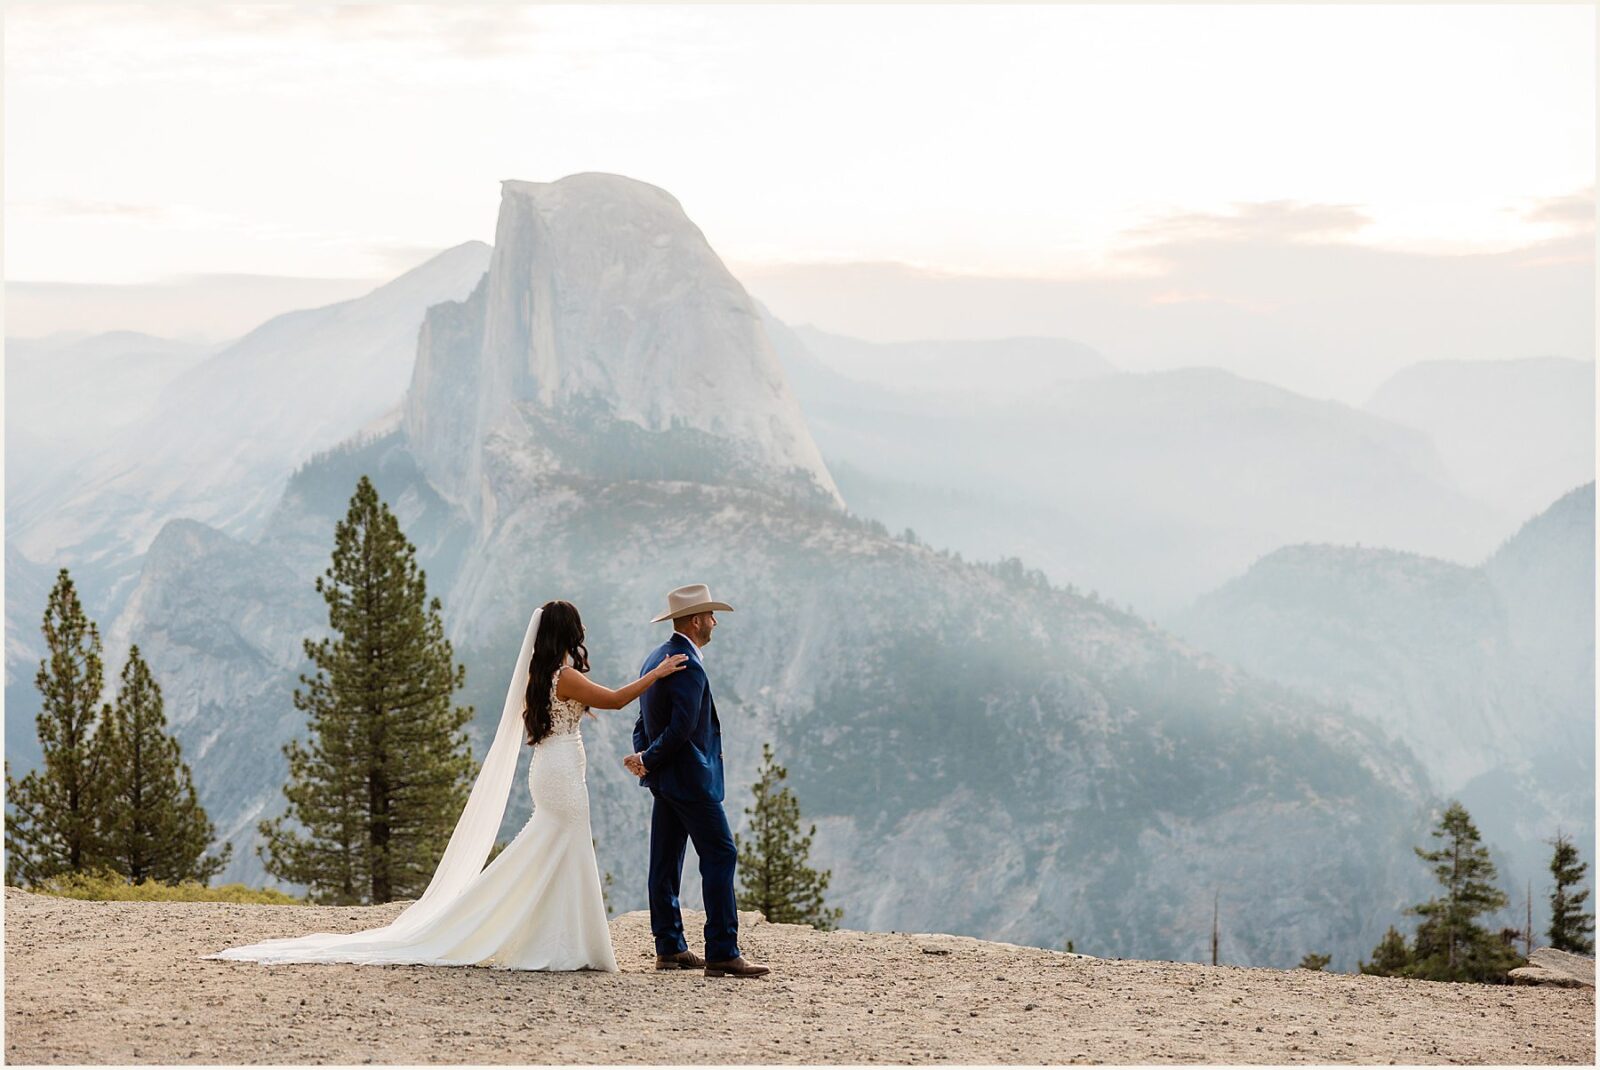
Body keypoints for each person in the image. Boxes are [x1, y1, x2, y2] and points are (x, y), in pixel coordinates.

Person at [206, 599, 685, 971]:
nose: (583, 633)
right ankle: (547, 938)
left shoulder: (541, 677)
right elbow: (616, 700)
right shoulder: (566, 676)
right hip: (561, 770)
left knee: (554, 849)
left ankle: (561, 942)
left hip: (552, 767)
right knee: (559, 847)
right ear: (567, 632)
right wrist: (656, 673)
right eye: (578, 627)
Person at [627, 583, 771, 978]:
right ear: (695, 621)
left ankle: (670, 947)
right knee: (721, 854)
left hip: (665, 780)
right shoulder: (687, 664)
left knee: (664, 861)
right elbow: (683, 728)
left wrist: (646, 760)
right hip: (690, 780)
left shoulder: (656, 657)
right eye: (710, 615)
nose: (714, 622)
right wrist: (648, 759)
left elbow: (642, 721)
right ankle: (723, 950)